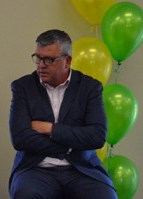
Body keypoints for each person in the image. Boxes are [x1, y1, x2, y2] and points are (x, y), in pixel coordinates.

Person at [8, 29, 117, 199]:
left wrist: (50, 129)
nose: (41, 65)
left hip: (81, 168)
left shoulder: (89, 88)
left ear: (68, 61)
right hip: (36, 169)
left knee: (106, 196)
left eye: (49, 59)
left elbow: (97, 136)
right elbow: (20, 138)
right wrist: (71, 144)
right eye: (38, 58)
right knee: (26, 195)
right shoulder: (23, 87)